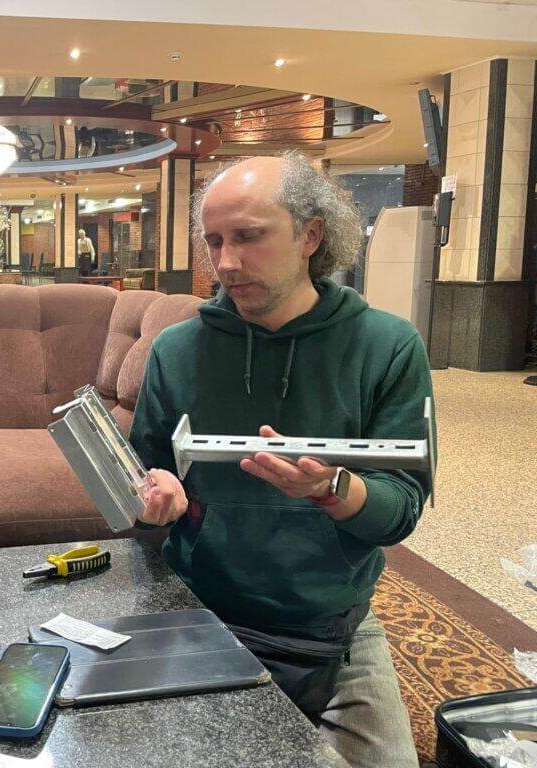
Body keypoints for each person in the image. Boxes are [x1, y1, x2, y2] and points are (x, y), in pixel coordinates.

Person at [130, 152, 432, 768]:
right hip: (204, 609)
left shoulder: (388, 345)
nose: (226, 262)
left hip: (332, 625)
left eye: (248, 237)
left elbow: (400, 508)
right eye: (214, 241)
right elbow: (139, 484)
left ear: (311, 235)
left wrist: (334, 491)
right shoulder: (177, 350)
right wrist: (155, 504)